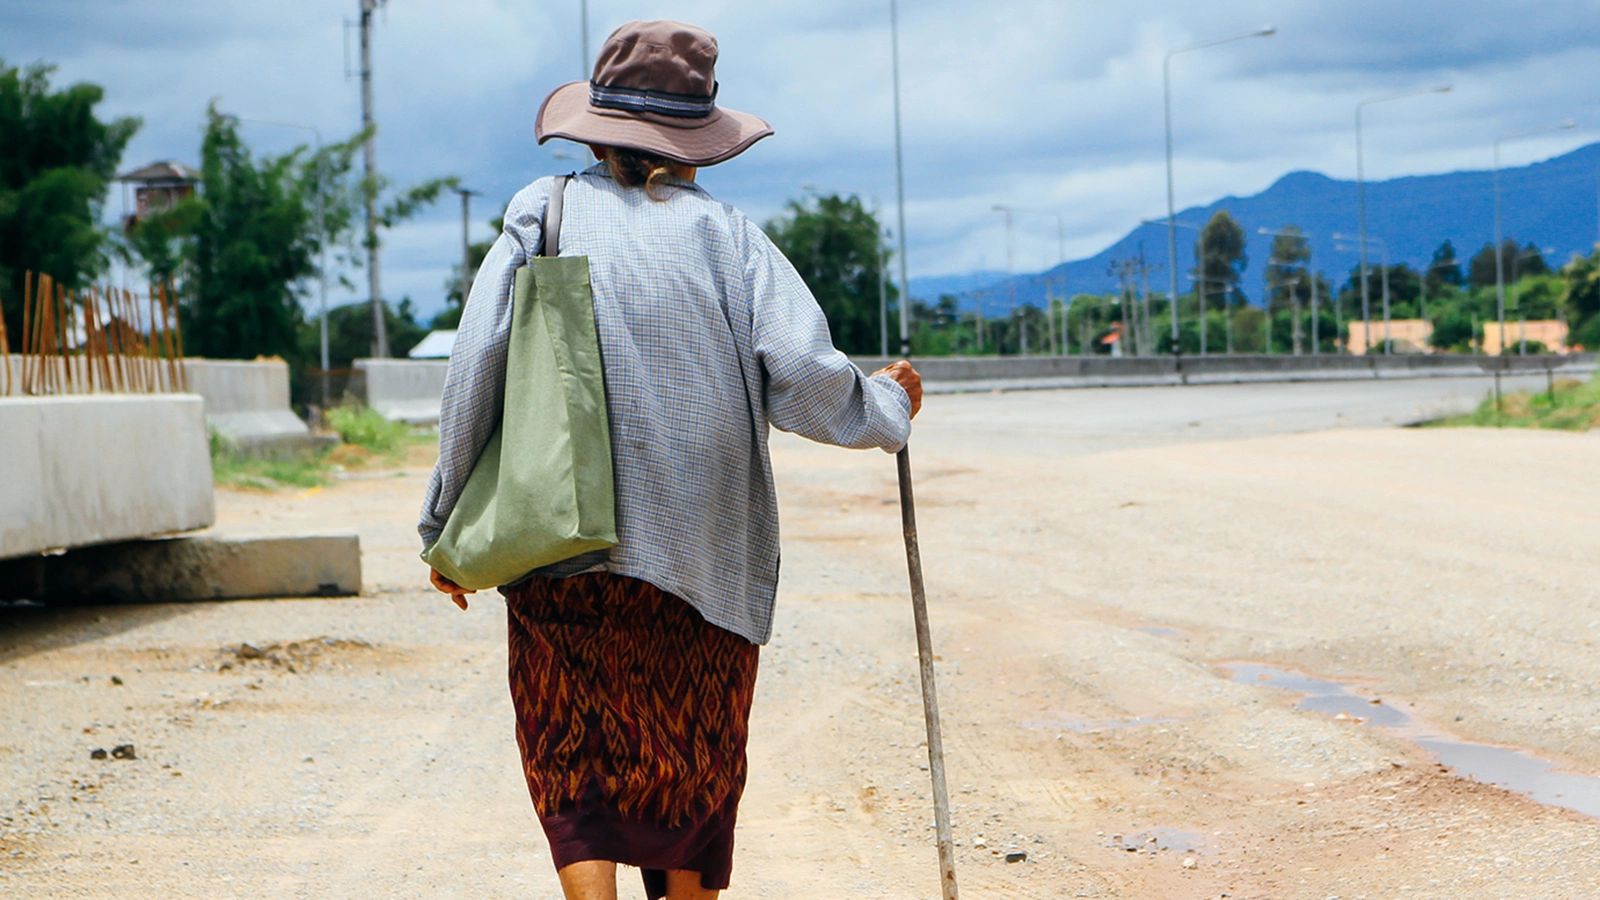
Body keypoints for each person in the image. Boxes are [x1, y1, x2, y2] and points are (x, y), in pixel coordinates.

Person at [418, 19, 922, 900]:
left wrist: (445, 525)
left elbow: (475, 367)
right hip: (700, 564)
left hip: (559, 545)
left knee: (572, 757)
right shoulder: (730, 240)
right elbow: (802, 376)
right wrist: (888, 406)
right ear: (698, 144)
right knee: (690, 767)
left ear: (596, 132)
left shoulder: (545, 213)